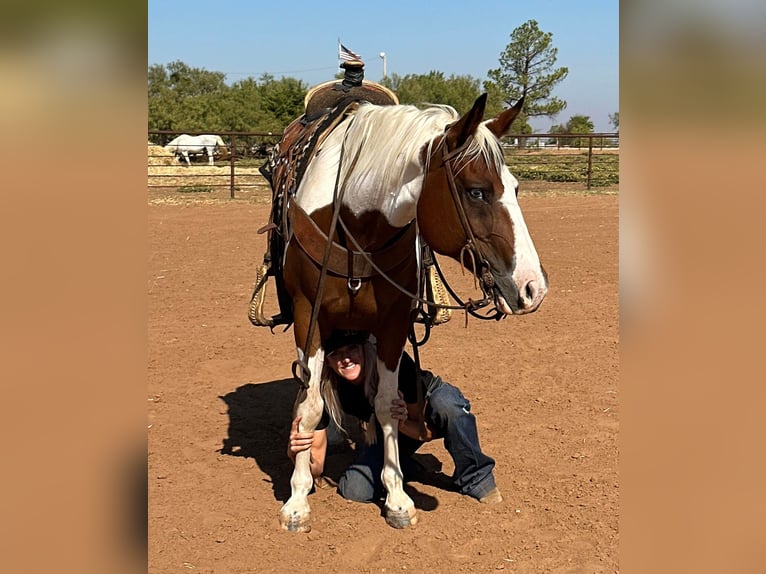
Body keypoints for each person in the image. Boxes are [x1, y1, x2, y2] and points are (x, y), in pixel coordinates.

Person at [287, 329, 503, 504]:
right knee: (354, 489)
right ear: (327, 361)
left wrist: (401, 423)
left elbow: (424, 431)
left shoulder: (392, 365)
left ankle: (477, 477)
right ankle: (405, 465)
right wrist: (295, 452)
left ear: (363, 348)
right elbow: (317, 467)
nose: (345, 359)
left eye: (352, 348)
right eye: (335, 354)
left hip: (423, 412)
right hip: (389, 427)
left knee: (448, 406)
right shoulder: (323, 392)